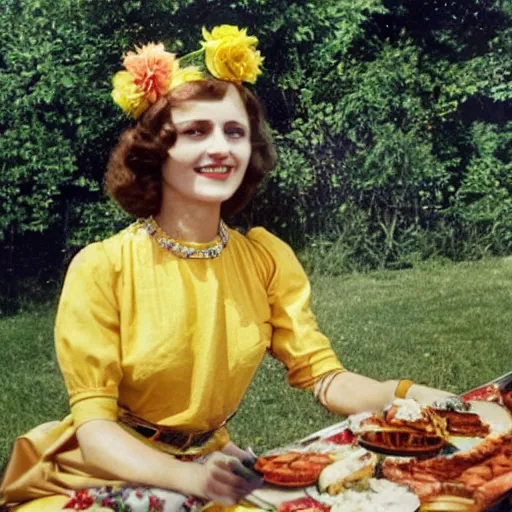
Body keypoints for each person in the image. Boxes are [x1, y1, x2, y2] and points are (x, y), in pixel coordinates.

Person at [0, 25, 453, 512]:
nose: (221, 148)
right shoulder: (103, 266)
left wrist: (407, 394)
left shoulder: (264, 257)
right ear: (158, 151)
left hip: (210, 464)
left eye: (234, 131)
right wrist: (190, 479)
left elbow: (325, 378)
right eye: (196, 131)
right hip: (101, 474)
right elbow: (94, 432)